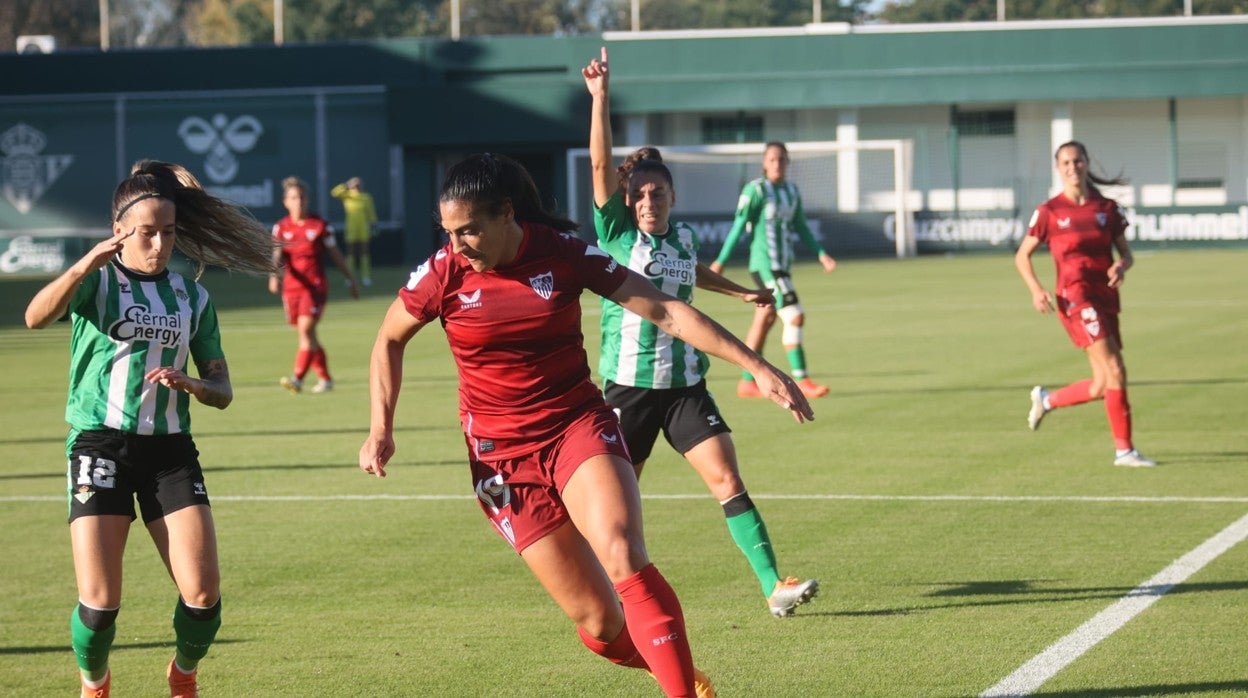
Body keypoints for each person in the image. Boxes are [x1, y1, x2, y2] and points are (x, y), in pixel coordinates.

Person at [358, 152, 815, 697]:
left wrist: (757, 365)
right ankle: (677, 674)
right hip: (500, 460)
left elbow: (665, 310)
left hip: (576, 426)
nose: (456, 244)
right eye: (449, 232)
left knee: (622, 551)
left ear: (507, 213)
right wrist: (379, 427)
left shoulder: (564, 253)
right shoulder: (443, 273)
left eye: (470, 229)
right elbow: (388, 338)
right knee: (599, 624)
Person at [24, 160, 275, 698]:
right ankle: (95, 684)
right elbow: (35, 318)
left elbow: (224, 391)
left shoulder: (194, 298)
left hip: (169, 452)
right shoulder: (97, 282)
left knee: (204, 596)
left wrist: (193, 385)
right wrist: (80, 266)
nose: (160, 244)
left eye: (169, 232)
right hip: (100, 444)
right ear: (120, 231)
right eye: (147, 233)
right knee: (99, 605)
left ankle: (183, 674)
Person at [584, 47, 819, 618]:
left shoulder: (683, 238)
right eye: (637, 193)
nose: (646, 200)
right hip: (629, 390)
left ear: (672, 197)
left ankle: (773, 586)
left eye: (656, 192)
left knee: (727, 477)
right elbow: (598, 166)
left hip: (687, 387)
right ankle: (603, 595)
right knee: (618, 507)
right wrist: (601, 100)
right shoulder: (614, 229)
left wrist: (739, 292)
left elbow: (694, 275)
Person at [1014, 140, 1155, 467]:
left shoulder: (1106, 209)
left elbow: (1127, 253)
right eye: (1065, 162)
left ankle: (1047, 400)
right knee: (1116, 370)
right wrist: (1036, 289)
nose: (1072, 167)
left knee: (1101, 384)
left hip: (1104, 296)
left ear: (1087, 163)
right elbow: (1022, 256)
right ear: (1058, 168)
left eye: (1077, 161)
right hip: (1075, 297)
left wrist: (1122, 265)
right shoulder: (1049, 212)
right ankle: (1125, 451)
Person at [709, 141, 838, 400]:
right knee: (794, 315)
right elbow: (738, 226)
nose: (777, 164)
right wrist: (720, 261)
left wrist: (821, 254)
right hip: (765, 265)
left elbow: (801, 226)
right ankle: (802, 379)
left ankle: (747, 382)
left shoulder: (791, 191)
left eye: (781, 159)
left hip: (783, 266)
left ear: (788, 163)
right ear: (764, 164)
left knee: (765, 319)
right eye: (772, 159)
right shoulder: (756, 190)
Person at [269, 175, 359, 394]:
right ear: (285, 201)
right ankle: (326, 379)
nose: (298, 201)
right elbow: (277, 255)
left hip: (315, 287)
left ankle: (297, 379)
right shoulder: (281, 228)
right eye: (293, 197)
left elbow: (336, 255)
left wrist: (351, 279)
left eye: (301, 197)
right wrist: (274, 275)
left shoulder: (319, 226)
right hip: (292, 289)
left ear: (307, 200)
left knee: (306, 329)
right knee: (307, 336)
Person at [331, 176, 379, 286]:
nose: (356, 186)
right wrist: (347, 185)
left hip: (363, 227)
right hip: (351, 227)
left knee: (364, 252)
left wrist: (374, 225)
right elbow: (334, 192)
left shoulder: (366, 197)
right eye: (355, 184)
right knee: (350, 253)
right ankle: (349, 277)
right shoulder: (347, 195)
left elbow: (371, 212)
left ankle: (366, 277)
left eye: (358, 184)